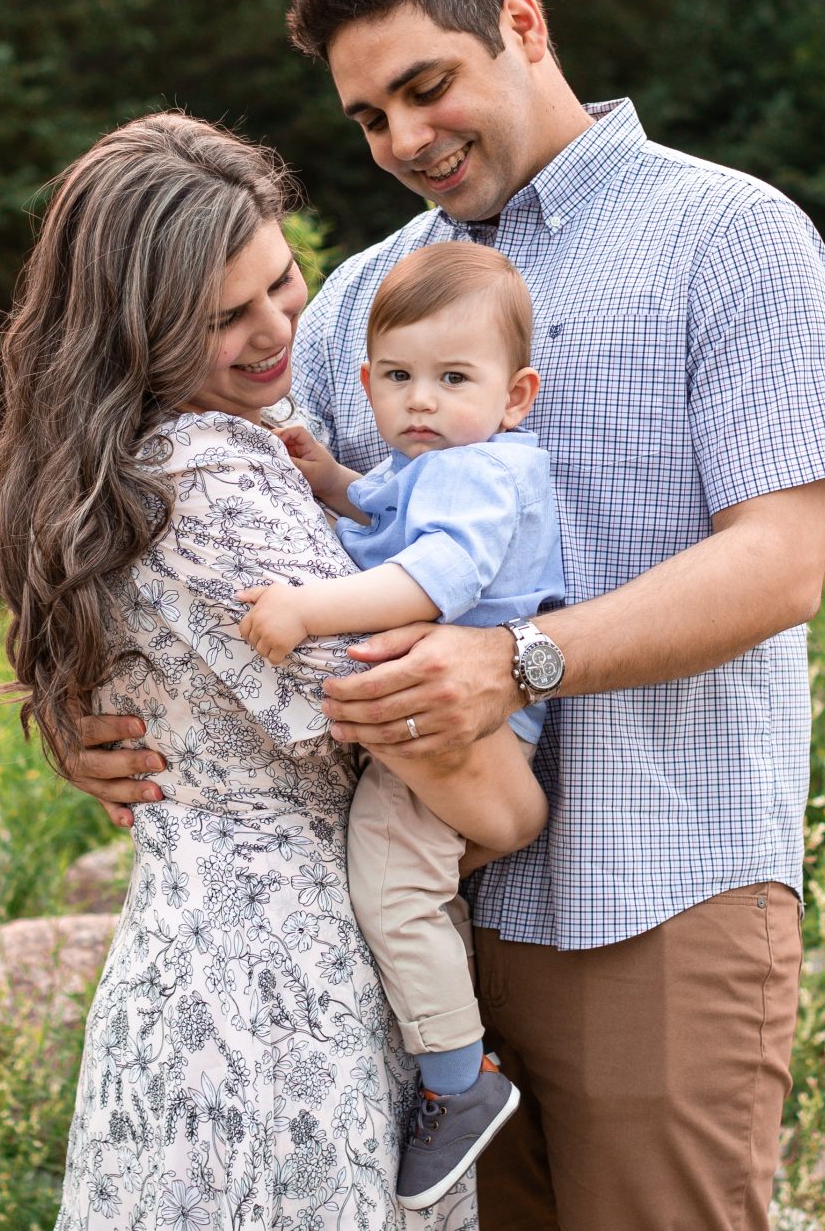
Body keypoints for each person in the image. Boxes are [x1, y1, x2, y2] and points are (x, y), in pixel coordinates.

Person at [61, 0, 825, 1231]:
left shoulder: (732, 236)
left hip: (654, 892)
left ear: (522, 21)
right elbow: (193, 535)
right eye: (369, 117)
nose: (403, 139)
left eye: (425, 86)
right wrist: (94, 724)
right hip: (404, 924)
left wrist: (517, 658)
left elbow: (782, 564)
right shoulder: (347, 308)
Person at [0, 112, 544, 1229]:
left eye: (282, 281)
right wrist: (515, 794)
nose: (276, 328)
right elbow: (425, 740)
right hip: (279, 1001)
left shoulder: (137, 459)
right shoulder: (208, 473)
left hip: (212, 973)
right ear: (131, 334)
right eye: (224, 318)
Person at [236, 240, 565, 1210]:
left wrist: (303, 610)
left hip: (469, 730)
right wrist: (328, 472)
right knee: (410, 883)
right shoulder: (435, 463)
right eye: (398, 378)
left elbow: (432, 582)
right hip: (440, 725)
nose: (420, 401)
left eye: (451, 378)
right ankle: (452, 1060)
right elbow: (369, 507)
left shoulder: (482, 477)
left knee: (390, 883)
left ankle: (458, 1084)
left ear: (514, 397)